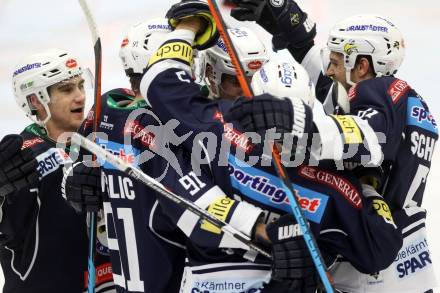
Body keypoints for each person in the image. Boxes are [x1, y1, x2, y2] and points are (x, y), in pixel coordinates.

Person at [137, 3, 404, 291]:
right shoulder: (336, 185)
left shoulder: (219, 127)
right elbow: (380, 248)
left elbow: (160, 79)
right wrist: (368, 186)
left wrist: (189, 27)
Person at [229, 1, 438, 291]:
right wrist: (291, 27)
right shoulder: (401, 100)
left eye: (337, 62)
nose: (328, 70)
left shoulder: (377, 90)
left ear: (362, 66)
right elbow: (335, 98)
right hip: (407, 255)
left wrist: (297, 122)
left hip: (371, 265)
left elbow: (367, 139)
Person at [64, 19, 187, 293]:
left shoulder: (106, 111)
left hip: (127, 280)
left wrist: (73, 180)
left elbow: (74, 168)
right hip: (178, 279)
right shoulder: (174, 121)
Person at [0, 48, 115, 293]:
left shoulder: (102, 143)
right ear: (35, 100)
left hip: (106, 284)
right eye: (66, 89)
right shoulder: (19, 159)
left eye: (81, 85)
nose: (80, 96)